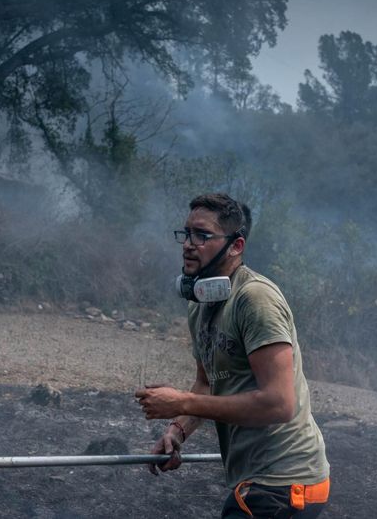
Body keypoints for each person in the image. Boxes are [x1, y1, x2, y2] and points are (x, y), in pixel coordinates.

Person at [136, 193, 329, 518]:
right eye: (186, 233)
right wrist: (177, 430)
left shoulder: (255, 299)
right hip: (255, 480)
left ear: (236, 246)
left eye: (202, 235)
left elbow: (280, 404)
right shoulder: (200, 305)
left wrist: (181, 401)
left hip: (286, 482)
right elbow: (206, 383)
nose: (188, 244)